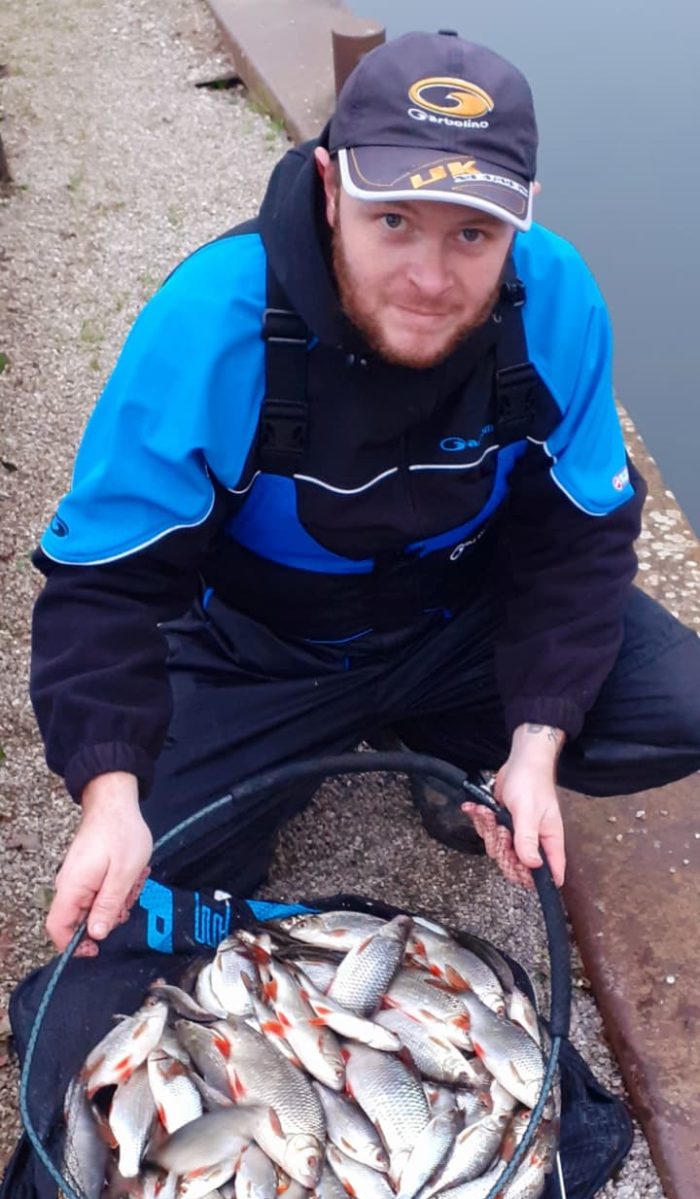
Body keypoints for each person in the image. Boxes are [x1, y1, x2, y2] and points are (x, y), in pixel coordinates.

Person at [31, 30, 700, 955]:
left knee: (680, 706)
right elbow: (102, 583)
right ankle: (313, 744)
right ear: (330, 187)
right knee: (157, 868)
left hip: (453, 625)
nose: (431, 279)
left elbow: (578, 542)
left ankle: (462, 752)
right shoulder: (213, 319)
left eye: (473, 233)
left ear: (522, 219)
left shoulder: (559, 302)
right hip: (260, 648)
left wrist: (536, 739)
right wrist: (110, 794)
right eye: (394, 221)